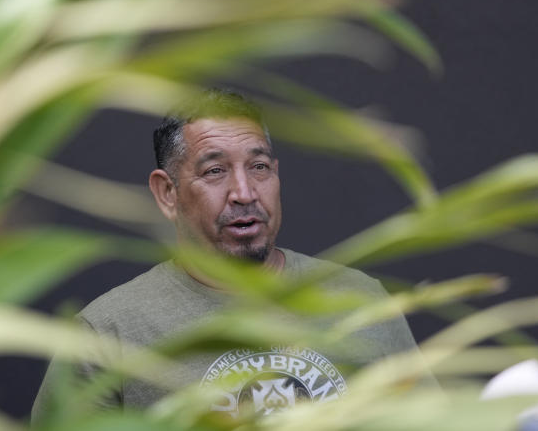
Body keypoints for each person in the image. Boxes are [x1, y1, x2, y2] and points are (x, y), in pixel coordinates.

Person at [32, 88, 422, 420]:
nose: (245, 192)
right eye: (215, 171)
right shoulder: (107, 333)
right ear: (167, 193)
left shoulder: (359, 299)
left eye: (259, 167)